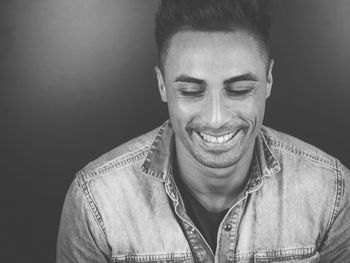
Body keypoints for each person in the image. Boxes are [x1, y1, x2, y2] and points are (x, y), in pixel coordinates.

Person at [56, 0, 350, 262]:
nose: (216, 117)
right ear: (162, 85)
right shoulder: (97, 200)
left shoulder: (332, 191)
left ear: (269, 81)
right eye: (191, 91)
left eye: (239, 89)